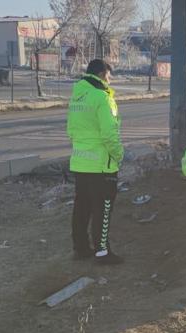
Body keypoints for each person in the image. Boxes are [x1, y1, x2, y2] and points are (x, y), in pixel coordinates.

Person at [67, 59, 124, 265]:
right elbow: (110, 134)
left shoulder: (77, 97)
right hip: (101, 165)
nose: (109, 82)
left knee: (81, 208)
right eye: (108, 77)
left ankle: (81, 248)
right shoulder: (102, 98)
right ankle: (102, 252)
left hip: (80, 163)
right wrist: (119, 155)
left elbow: (71, 131)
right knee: (103, 208)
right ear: (101, 74)